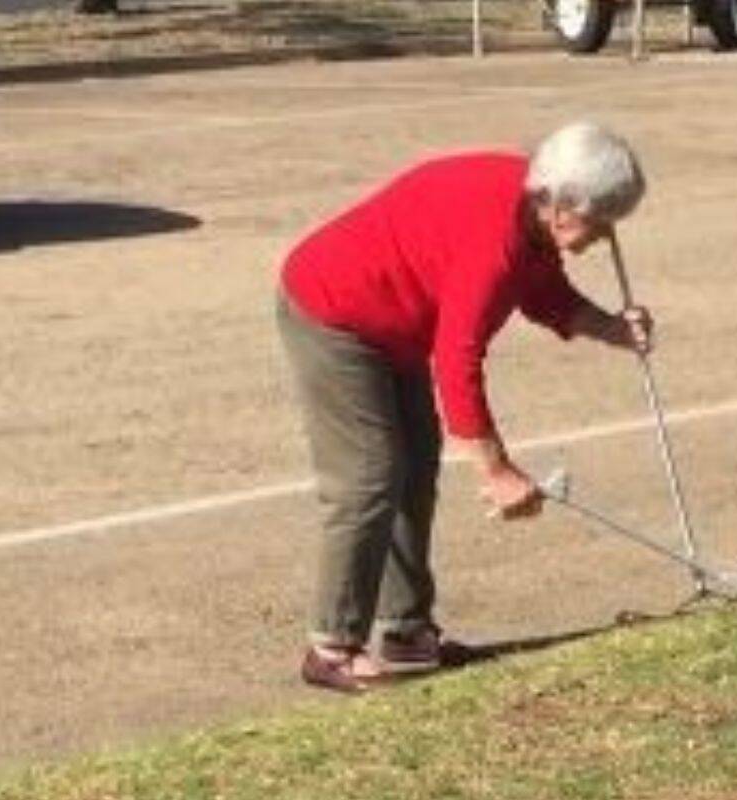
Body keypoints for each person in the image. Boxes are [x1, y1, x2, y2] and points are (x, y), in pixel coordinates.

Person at [276, 121, 652, 692]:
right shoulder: (493, 241)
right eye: (599, 222)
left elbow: (544, 293)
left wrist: (610, 329)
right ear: (560, 205)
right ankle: (331, 646)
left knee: (415, 468)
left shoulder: (529, 220)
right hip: (334, 313)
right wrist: (496, 469)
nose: (602, 237)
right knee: (370, 476)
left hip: (393, 327)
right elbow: (457, 361)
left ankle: (404, 631)